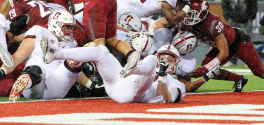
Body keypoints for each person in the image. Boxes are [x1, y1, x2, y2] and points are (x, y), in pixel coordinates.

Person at [178, 0, 264, 92]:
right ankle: (239, 79)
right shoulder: (187, 23)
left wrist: (207, 68)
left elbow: (224, 52)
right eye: (188, 13)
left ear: (202, 14)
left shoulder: (212, 23)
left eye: (192, 14)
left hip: (239, 43)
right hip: (222, 46)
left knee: (261, 73)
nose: (188, 17)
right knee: (207, 67)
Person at [41, 36, 186, 103]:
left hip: (133, 94)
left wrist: (161, 75)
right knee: (101, 51)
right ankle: (55, 53)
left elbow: (165, 99)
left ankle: (133, 67)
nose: (165, 61)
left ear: (177, 63)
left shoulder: (177, 84)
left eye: (170, 59)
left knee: (151, 60)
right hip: (118, 82)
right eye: (163, 57)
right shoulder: (151, 67)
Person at [0, 10, 83, 101]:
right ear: (55, 24)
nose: (70, 31)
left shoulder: (72, 43)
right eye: (67, 26)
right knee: (35, 70)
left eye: (71, 27)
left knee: (75, 62)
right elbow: (16, 58)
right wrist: (2, 71)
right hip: (36, 83)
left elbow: (74, 71)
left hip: (56, 84)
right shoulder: (39, 32)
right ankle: (23, 82)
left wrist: (90, 85)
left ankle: (26, 79)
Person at [222, 0, 257, 66]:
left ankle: (249, 61)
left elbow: (253, 3)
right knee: (232, 41)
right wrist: (228, 17)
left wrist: (251, 15)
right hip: (233, 19)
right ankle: (232, 61)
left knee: (247, 41)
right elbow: (225, 4)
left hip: (245, 20)